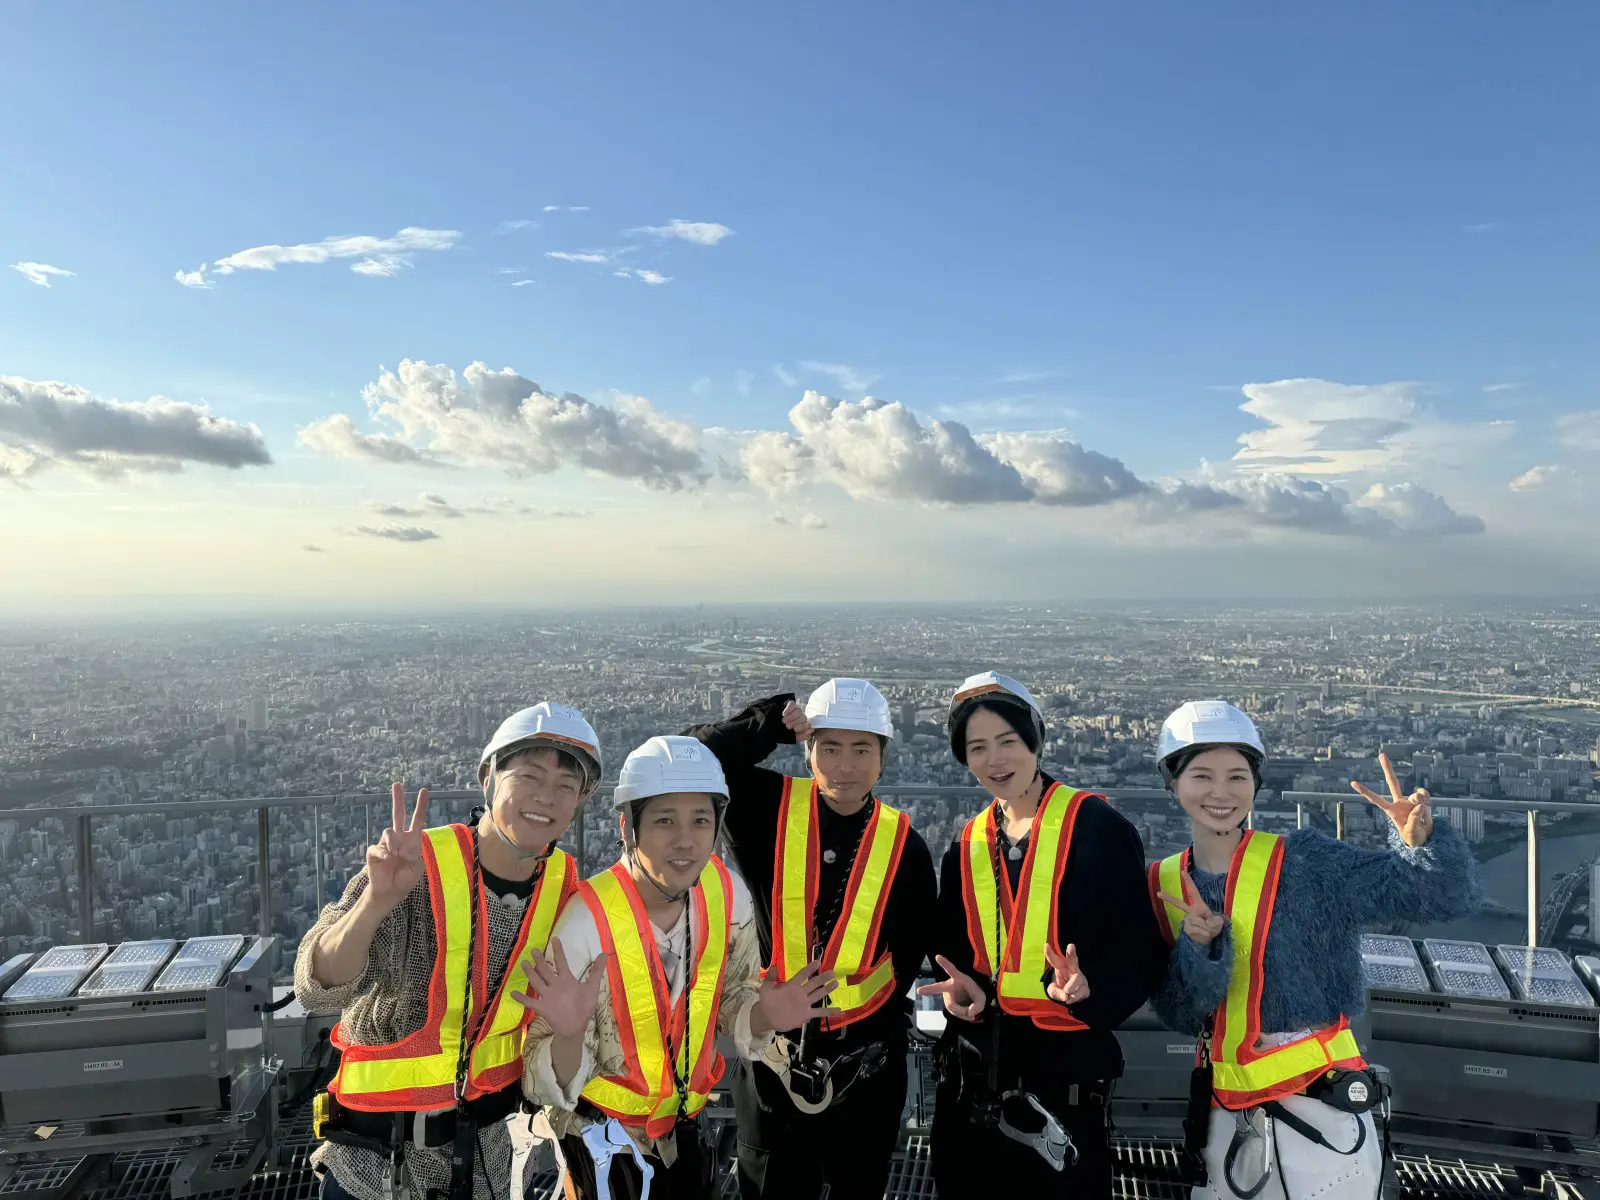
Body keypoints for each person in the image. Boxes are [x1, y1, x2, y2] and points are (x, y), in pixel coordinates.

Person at [1147, 700, 1481, 1200]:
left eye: (1237, 776)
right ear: (1172, 783)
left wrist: (1420, 843)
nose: (1221, 792)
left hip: (1322, 1111)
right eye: (1202, 776)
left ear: (1256, 784)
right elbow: (1180, 1012)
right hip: (1227, 1114)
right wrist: (1198, 948)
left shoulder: (1308, 863)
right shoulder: (1165, 884)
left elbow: (1440, 896)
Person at [295, 703, 605, 1200]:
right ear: (489, 778)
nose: (546, 797)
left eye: (567, 786)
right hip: (372, 1164)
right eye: (529, 775)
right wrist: (375, 903)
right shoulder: (416, 862)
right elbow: (317, 987)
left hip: (483, 1164)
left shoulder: (566, 896)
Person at [518, 735, 837, 1200]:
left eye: (701, 820)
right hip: (601, 1143)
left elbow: (732, 999)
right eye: (664, 820)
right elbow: (541, 1076)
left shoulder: (728, 898)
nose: (685, 840)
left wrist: (767, 1015)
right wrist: (568, 1036)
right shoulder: (586, 922)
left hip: (686, 1126)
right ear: (628, 827)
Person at [680, 681, 937, 1200]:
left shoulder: (904, 844)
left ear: (883, 758)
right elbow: (691, 758)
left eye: (862, 749)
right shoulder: (766, 808)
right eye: (830, 747)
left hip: (867, 1071)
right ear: (808, 751)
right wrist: (769, 722)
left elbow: (908, 952)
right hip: (774, 1064)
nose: (845, 764)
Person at [921, 672, 1167, 1198]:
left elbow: (1140, 949)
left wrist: (1088, 988)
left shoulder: (1098, 828)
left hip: (1063, 1084)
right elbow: (960, 956)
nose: (995, 760)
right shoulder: (966, 843)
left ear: (1035, 740)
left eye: (1008, 741)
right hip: (973, 1079)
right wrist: (969, 994)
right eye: (978, 748)